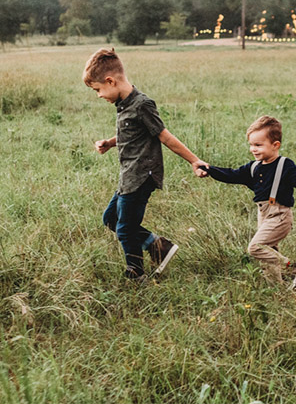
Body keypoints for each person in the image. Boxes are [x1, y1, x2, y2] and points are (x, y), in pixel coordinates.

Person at [84, 47, 207, 279]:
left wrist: (194, 161)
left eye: (98, 90)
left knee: (125, 228)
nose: (99, 95)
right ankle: (158, 247)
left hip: (142, 176)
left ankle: (136, 272)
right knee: (111, 218)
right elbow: (132, 135)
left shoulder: (142, 104)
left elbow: (165, 137)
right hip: (128, 175)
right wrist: (110, 143)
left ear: (110, 81)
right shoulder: (123, 104)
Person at [198, 116, 296, 288]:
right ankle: (277, 288)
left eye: (258, 145)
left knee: (256, 248)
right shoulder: (254, 167)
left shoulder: (284, 164)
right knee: (268, 254)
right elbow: (232, 175)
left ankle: (291, 267)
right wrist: (209, 170)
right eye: (251, 145)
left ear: (275, 145)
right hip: (263, 214)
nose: (253, 149)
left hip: (280, 215)